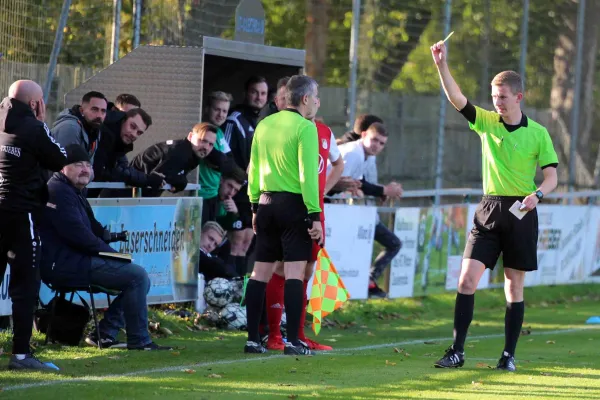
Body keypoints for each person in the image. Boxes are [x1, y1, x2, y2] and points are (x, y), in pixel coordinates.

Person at [430, 40, 558, 371]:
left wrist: (538, 195)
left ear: (519, 97)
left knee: (513, 285)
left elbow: (552, 178)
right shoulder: (486, 122)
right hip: (488, 211)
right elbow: (457, 99)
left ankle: (508, 355)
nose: (496, 102)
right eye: (493, 96)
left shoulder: (539, 134)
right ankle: (457, 351)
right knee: (466, 280)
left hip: (522, 213)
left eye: (502, 96)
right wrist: (441, 65)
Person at [39, 144, 171, 351]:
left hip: (76, 260)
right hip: (65, 265)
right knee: (137, 276)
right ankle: (138, 340)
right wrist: (116, 256)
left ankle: (105, 333)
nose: (84, 169)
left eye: (87, 165)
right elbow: (80, 237)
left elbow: (94, 229)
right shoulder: (58, 191)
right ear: (62, 168)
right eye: (77, 164)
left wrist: (111, 240)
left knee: (137, 276)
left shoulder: (73, 190)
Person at [244, 75, 322, 356]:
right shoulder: (305, 127)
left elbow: (252, 169)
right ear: (304, 99)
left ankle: (253, 340)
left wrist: (254, 206)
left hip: (264, 203)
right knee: (294, 273)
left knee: (259, 273)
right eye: (315, 98)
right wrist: (314, 214)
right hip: (293, 206)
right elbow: (307, 175)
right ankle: (293, 341)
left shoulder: (264, 124)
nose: (316, 103)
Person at [264, 101, 344, 351]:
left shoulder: (324, 132)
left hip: (315, 211)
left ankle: (298, 336)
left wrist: (322, 192)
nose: (317, 102)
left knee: (307, 272)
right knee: (280, 269)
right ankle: (274, 335)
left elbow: (338, 164)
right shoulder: (284, 131)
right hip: (289, 209)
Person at [0, 79, 67, 370]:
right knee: (26, 285)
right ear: (35, 104)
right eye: (41, 101)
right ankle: (21, 354)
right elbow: (60, 157)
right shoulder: (34, 127)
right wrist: (41, 122)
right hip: (21, 211)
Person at [333, 122, 403, 298]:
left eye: (381, 143)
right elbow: (338, 182)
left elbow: (358, 183)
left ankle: (367, 282)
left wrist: (379, 190)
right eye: (374, 140)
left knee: (391, 244)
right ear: (363, 135)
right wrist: (383, 190)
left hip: (346, 211)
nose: (377, 146)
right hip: (332, 209)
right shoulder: (354, 153)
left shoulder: (366, 155)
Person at [222, 76, 269, 277]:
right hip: (236, 191)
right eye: (254, 92)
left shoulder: (259, 121)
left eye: (263, 93)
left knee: (247, 242)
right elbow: (225, 156)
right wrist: (230, 189)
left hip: (252, 192)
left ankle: (239, 292)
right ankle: (225, 289)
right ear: (246, 93)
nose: (259, 97)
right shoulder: (235, 119)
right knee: (236, 241)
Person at [130, 122, 223, 197]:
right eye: (203, 140)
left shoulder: (192, 154)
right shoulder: (180, 153)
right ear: (190, 136)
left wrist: (180, 181)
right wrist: (181, 181)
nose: (206, 147)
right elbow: (156, 177)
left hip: (137, 195)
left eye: (211, 144)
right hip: (129, 193)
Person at [90, 107, 164, 197]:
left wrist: (149, 179)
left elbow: (123, 168)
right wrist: (148, 179)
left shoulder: (118, 142)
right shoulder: (105, 134)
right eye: (132, 126)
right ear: (123, 120)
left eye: (139, 133)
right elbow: (116, 171)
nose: (134, 134)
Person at [199, 91, 237, 223]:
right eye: (217, 109)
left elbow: (230, 163)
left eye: (225, 111)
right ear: (207, 109)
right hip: (199, 196)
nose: (221, 115)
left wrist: (222, 161)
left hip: (213, 195)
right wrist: (221, 161)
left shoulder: (219, 132)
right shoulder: (202, 131)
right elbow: (220, 161)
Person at [52, 91, 108, 163]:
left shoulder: (94, 129)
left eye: (103, 111)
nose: (99, 115)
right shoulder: (70, 128)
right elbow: (67, 166)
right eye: (94, 110)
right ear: (82, 111)